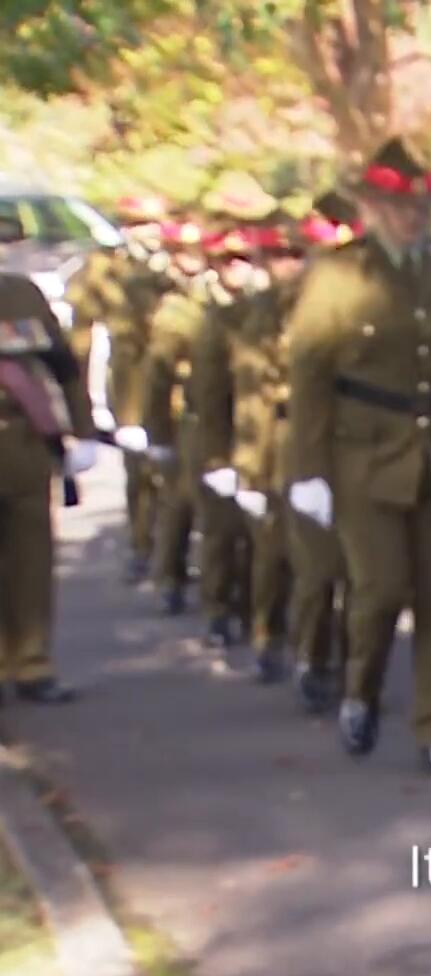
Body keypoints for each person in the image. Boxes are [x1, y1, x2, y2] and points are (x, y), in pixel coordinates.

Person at [284, 138, 431, 780]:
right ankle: (361, 690)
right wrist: (307, 471)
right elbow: (309, 377)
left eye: (419, 207)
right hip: (364, 456)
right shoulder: (337, 275)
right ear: (373, 208)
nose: (411, 217)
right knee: (380, 589)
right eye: (397, 206)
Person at [175, 175, 277, 652]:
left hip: (260, 433)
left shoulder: (265, 307)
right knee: (219, 531)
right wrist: (215, 456)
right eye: (227, 260)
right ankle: (217, 607)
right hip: (216, 427)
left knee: (262, 538)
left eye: (244, 259)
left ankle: (259, 619)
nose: (237, 268)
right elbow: (207, 392)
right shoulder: (202, 308)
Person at [205, 216, 307, 684]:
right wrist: (238, 465)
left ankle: (317, 648)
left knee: (324, 559)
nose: (290, 265)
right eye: (279, 256)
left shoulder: (326, 312)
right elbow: (230, 395)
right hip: (272, 444)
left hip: (325, 441)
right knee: (271, 552)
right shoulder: (242, 317)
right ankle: (269, 636)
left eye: (297, 255)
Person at [0, 220, 98, 705]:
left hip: (23, 446)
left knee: (31, 559)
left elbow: (63, 367)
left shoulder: (22, 295)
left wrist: (83, 431)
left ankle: (32, 662)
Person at [283, 193, 360, 714]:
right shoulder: (277, 308)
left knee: (362, 574)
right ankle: (311, 658)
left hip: (361, 448)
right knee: (316, 570)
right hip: (306, 446)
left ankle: (355, 667)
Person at [66, 194, 168, 585]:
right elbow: (81, 331)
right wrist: (77, 400)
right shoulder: (104, 266)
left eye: (152, 223)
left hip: (182, 379)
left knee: (183, 473)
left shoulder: (182, 261)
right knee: (140, 469)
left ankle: (179, 555)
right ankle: (143, 547)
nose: (146, 232)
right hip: (132, 381)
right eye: (137, 224)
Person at [140, 215, 218, 618]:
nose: (191, 260)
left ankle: (221, 592)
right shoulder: (176, 309)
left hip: (223, 411)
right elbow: (158, 375)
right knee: (181, 501)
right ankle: (170, 577)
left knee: (218, 508)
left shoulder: (219, 299)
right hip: (185, 414)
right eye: (183, 253)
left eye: (196, 252)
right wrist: (156, 434)